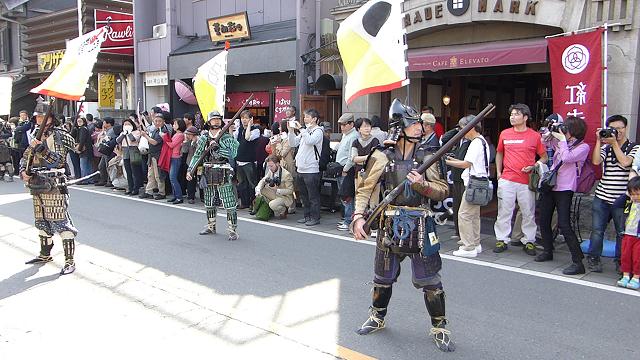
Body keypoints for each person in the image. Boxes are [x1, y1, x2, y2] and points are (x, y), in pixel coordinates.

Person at [351, 99, 454, 352]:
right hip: (389, 223)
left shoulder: (428, 156)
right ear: (399, 127)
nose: (419, 127)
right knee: (382, 278)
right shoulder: (380, 155)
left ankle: (439, 326)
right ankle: (377, 316)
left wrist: (422, 185)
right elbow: (364, 189)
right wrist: (358, 216)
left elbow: (443, 191)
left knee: (431, 281)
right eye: (413, 123)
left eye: (419, 122)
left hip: (421, 222)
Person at [20, 101, 78, 275]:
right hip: (36, 182)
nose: (39, 119)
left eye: (42, 116)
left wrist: (43, 150)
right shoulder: (36, 134)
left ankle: (69, 260)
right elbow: (26, 156)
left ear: (51, 118)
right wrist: (24, 171)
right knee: (42, 221)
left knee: (61, 222)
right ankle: (45, 254)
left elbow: (59, 160)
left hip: (54, 182)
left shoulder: (60, 135)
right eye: (37, 116)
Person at [534, 116, 590, 274]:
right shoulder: (561, 141)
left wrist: (562, 141)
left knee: (564, 224)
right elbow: (544, 143)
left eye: (567, 128)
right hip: (551, 186)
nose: (564, 130)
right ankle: (547, 251)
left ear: (574, 131)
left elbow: (567, 158)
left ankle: (578, 261)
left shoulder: (583, 147)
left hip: (565, 188)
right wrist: (549, 131)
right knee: (544, 219)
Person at [494, 103, 548, 256]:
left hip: (526, 180)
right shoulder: (504, 134)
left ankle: (529, 240)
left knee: (528, 212)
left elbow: (544, 157)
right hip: (507, 178)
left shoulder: (535, 136)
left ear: (525, 117)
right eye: (511, 114)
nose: (512, 117)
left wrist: (534, 165)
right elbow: (499, 153)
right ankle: (502, 239)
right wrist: (498, 172)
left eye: (517, 114)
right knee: (504, 211)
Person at [587, 114, 639, 272]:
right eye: (613, 129)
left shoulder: (634, 147)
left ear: (625, 128)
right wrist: (598, 140)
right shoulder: (606, 147)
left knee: (620, 233)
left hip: (621, 198)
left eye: (620, 128)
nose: (617, 131)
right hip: (602, 196)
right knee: (597, 230)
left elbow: (625, 162)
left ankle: (620, 262)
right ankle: (593, 259)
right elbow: (596, 161)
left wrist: (614, 143)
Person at [186, 111, 240, 240]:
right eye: (213, 119)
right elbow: (197, 155)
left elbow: (234, 153)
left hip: (224, 171)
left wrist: (218, 149)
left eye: (218, 119)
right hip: (208, 171)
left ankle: (232, 230)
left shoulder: (227, 137)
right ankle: (211, 226)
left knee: (229, 202)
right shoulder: (204, 138)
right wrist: (190, 169)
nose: (216, 121)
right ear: (208, 122)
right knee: (209, 202)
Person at [446, 118, 489, 258]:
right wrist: (452, 160)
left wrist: (446, 161)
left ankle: (468, 246)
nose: (460, 131)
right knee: (474, 215)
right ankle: (475, 243)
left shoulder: (475, 143)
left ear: (470, 127)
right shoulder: (481, 141)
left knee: (464, 214)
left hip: (474, 183)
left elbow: (466, 164)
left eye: (462, 127)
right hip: (480, 182)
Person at [288, 108, 323, 226]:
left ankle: (315, 218)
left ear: (314, 119)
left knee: (313, 196)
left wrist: (302, 129)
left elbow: (310, 141)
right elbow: (293, 143)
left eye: (307, 117)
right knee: (304, 195)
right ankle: (307, 216)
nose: (305, 119)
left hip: (311, 169)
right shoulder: (305, 130)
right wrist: (291, 132)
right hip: (301, 168)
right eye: (305, 117)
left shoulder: (318, 131)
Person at [441, 117, 472, 242]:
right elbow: (444, 139)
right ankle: (458, 231)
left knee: (465, 209)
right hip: (456, 176)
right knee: (457, 204)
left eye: (462, 127)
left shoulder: (471, 141)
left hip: (465, 176)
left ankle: (464, 235)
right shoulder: (459, 138)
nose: (460, 129)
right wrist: (456, 130)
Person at [345, 117, 380, 209]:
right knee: (360, 198)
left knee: (373, 200)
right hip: (359, 172)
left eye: (368, 126)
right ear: (358, 129)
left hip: (373, 172)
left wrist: (362, 158)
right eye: (364, 126)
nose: (367, 128)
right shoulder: (355, 142)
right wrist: (367, 157)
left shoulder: (375, 141)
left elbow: (375, 157)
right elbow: (354, 158)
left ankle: (373, 220)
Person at [234, 110, 261, 209]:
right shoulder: (239, 129)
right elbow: (234, 140)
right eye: (242, 118)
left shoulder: (256, 130)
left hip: (249, 161)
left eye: (246, 118)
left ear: (251, 119)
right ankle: (244, 203)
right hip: (239, 160)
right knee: (241, 183)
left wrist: (249, 126)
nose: (244, 120)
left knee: (252, 184)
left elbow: (247, 137)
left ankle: (253, 204)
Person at [336, 113, 358, 231]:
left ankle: (348, 220)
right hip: (341, 168)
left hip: (347, 169)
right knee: (344, 196)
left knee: (347, 196)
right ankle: (347, 218)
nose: (342, 127)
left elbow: (351, 156)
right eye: (341, 125)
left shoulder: (353, 136)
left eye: (344, 125)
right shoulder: (345, 135)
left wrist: (346, 169)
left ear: (351, 124)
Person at [617, 177, 640, 289]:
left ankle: (636, 277)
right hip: (627, 234)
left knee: (637, 257)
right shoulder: (629, 202)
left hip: (638, 236)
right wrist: (627, 194)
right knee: (625, 256)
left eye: (637, 194)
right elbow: (616, 204)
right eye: (632, 194)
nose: (635, 197)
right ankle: (625, 275)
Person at [254, 155, 295, 219]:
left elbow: (290, 190)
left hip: (285, 197)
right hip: (275, 193)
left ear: (278, 164)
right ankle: (270, 209)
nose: (270, 168)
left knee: (272, 204)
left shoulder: (286, 174)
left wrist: (277, 190)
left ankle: (283, 210)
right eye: (269, 166)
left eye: (271, 166)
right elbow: (263, 180)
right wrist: (258, 189)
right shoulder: (271, 171)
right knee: (260, 189)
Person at [139, 114, 168, 200]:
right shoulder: (155, 130)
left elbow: (154, 142)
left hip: (159, 155)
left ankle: (162, 192)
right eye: (155, 121)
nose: (157, 123)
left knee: (158, 175)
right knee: (150, 174)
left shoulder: (163, 131)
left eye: (159, 121)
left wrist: (145, 136)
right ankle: (149, 191)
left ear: (163, 122)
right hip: (152, 155)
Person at [116, 118, 144, 195]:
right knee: (128, 171)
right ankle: (130, 187)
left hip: (133, 151)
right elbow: (118, 140)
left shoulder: (136, 132)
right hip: (125, 151)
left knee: (135, 171)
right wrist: (124, 133)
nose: (127, 126)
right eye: (125, 124)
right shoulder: (123, 133)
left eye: (129, 124)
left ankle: (136, 188)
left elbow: (133, 139)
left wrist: (129, 133)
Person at [163, 119, 186, 204]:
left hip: (176, 157)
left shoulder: (180, 135)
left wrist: (165, 138)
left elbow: (171, 145)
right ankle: (175, 196)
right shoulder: (177, 134)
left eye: (175, 124)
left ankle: (179, 197)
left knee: (173, 177)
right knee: (172, 177)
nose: (173, 125)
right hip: (173, 157)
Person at [184, 126, 200, 204]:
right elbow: (184, 151)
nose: (187, 136)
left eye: (189, 134)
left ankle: (203, 196)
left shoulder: (199, 141)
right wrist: (186, 142)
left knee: (201, 179)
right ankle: (191, 196)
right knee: (190, 180)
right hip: (190, 162)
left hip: (199, 163)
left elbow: (199, 151)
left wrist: (194, 143)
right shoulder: (189, 142)